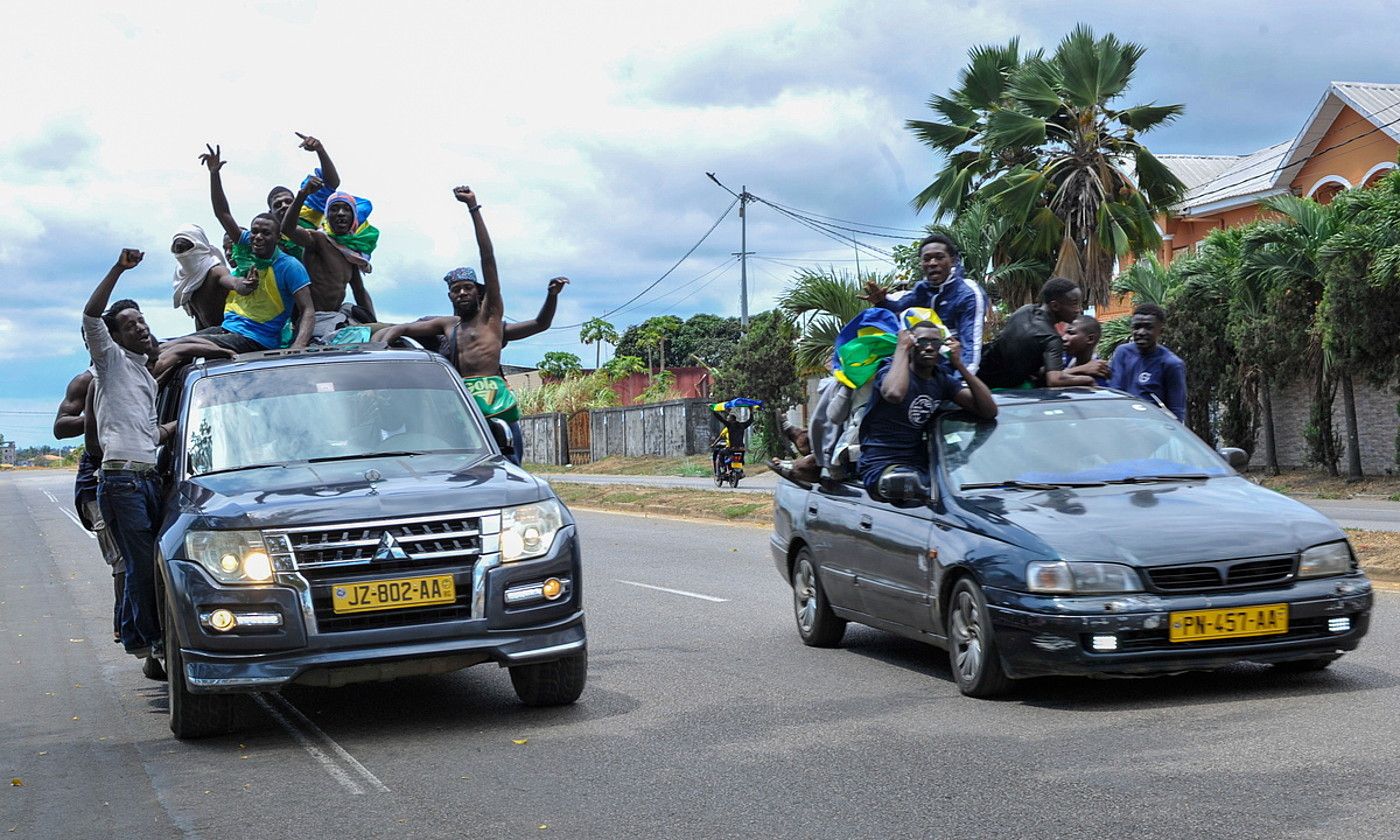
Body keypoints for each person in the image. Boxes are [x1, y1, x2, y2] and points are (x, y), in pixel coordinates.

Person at [371, 186, 526, 463]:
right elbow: (404, 329)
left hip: (496, 406)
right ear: (449, 295)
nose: (463, 293)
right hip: (461, 409)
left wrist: (473, 208)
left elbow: (488, 259)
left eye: (468, 288)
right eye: (457, 289)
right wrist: (381, 344)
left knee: (510, 465)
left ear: (479, 292)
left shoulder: (491, 318)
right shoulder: (446, 326)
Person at [82, 249, 172, 664]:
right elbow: (91, 314)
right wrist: (118, 268)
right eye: (129, 325)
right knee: (139, 562)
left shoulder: (144, 375)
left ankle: (135, 633)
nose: (140, 328)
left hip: (146, 479)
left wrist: (177, 428)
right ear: (113, 337)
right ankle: (150, 640)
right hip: (121, 482)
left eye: (142, 321)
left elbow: (149, 432)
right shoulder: (110, 362)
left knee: (146, 561)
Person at [857, 322, 997, 500]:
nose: (929, 347)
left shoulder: (941, 379)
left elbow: (989, 411)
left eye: (935, 343)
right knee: (934, 493)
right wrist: (901, 348)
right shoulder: (890, 370)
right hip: (883, 466)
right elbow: (894, 393)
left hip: (919, 465)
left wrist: (959, 365)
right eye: (922, 342)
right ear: (911, 344)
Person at [198, 144, 316, 352]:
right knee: (172, 346)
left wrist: (298, 347)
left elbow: (307, 309)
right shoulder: (251, 242)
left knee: (182, 348)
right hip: (234, 326)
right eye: (255, 232)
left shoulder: (292, 260)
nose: (258, 237)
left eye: (266, 233)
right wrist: (214, 174)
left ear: (278, 237)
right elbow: (223, 214)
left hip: (261, 334)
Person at [53, 368, 126, 643]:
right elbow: (60, 428)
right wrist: (99, 415)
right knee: (121, 558)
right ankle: (124, 624)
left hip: (136, 474)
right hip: (95, 481)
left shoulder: (138, 367)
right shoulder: (87, 380)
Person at [863, 234, 988, 375]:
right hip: (918, 364)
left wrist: (962, 383)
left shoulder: (968, 293)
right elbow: (897, 310)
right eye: (927, 259)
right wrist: (881, 302)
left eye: (939, 257)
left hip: (950, 371)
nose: (933, 263)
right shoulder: (922, 289)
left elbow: (971, 346)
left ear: (952, 260)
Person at [280, 176, 381, 335]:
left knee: (378, 329)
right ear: (327, 215)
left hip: (337, 317)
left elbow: (359, 291)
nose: (341, 213)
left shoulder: (350, 253)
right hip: (315, 320)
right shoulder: (318, 240)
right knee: (388, 330)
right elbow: (287, 229)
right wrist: (302, 195)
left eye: (346, 209)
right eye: (334, 209)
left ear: (353, 216)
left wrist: (375, 323)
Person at [978, 277, 1097, 389]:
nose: (1079, 309)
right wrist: (1088, 380)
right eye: (1074, 303)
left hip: (979, 374)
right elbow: (1055, 380)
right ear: (1055, 306)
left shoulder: (1024, 310)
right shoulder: (1052, 339)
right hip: (1001, 390)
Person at [1108, 303, 1187, 422]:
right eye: (1136, 327)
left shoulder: (1171, 364)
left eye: (1148, 327)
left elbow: (1176, 411)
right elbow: (1114, 391)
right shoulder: (1122, 353)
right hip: (1121, 424)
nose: (1141, 332)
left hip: (1153, 431)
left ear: (1161, 331)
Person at [171, 223, 253, 330]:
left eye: (187, 248)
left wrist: (244, 285)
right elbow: (200, 322)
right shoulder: (186, 283)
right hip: (209, 336)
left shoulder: (216, 272)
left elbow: (234, 282)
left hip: (229, 330)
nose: (184, 254)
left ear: (200, 246)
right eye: (179, 250)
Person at [1062, 314, 1108, 385]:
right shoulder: (1064, 359)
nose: (1064, 338)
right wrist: (1082, 368)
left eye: (1071, 333)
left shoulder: (1099, 372)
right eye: (1064, 333)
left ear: (1090, 339)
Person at [710, 407, 753, 477]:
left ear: (731, 419)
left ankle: (724, 469)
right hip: (741, 449)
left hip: (731, 448)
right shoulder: (742, 425)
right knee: (741, 460)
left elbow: (720, 418)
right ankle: (740, 471)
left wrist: (713, 410)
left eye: (728, 418)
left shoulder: (730, 425)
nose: (727, 419)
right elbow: (750, 420)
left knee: (720, 455)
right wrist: (751, 411)